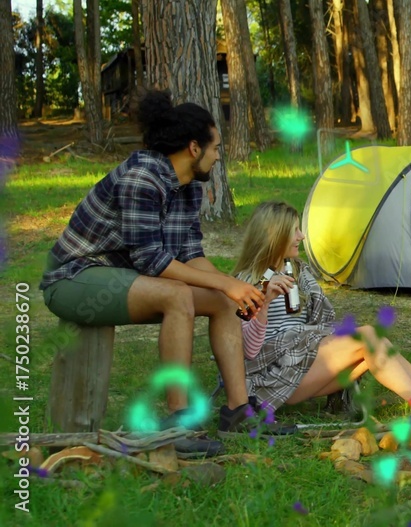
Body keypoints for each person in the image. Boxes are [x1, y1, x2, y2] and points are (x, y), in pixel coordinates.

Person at [39, 90, 290, 455]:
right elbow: (150, 260)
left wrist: (234, 288)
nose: (219, 156)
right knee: (178, 295)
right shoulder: (143, 177)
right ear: (193, 148)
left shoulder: (188, 188)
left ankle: (238, 412)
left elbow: (191, 256)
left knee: (221, 301)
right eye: (216, 147)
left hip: (121, 279)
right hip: (73, 278)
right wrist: (225, 282)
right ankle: (179, 422)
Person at [234, 201, 411, 414]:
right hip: (275, 376)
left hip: (305, 361)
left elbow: (321, 320)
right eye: (295, 231)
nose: (301, 236)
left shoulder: (298, 273)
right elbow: (249, 351)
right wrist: (265, 302)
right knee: (368, 337)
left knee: (375, 344)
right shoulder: (245, 284)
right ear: (275, 234)